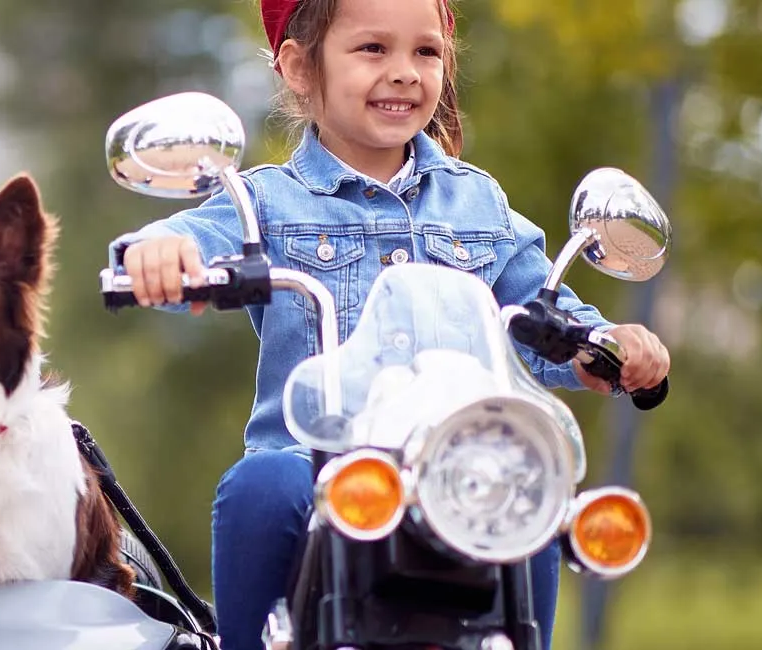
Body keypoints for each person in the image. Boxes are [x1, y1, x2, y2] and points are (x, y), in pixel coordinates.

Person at [112, 1, 674, 648]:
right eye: (373, 49)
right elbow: (183, 238)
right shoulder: (264, 201)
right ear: (299, 67)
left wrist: (605, 344)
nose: (405, 72)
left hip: (461, 468)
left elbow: (542, 306)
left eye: (425, 52)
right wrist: (157, 255)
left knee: (532, 503)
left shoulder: (479, 204)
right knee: (258, 487)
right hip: (315, 465)